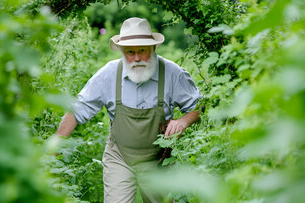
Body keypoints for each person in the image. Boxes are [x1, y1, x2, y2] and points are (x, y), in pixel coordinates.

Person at [55, 17, 202, 203]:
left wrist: (183, 121)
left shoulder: (173, 74)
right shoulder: (108, 74)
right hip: (120, 157)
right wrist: (54, 146)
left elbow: (199, 107)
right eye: (130, 52)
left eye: (142, 50)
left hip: (158, 160)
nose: (137, 58)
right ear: (122, 51)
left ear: (154, 48)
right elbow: (78, 109)